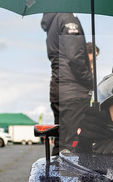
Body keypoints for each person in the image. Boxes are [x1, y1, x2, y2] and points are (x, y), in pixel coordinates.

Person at [41, 13, 95, 149]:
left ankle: (55, 170)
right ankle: (66, 171)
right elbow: (75, 57)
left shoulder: (53, 21)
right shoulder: (67, 18)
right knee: (73, 145)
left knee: (61, 144)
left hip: (59, 89)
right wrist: (89, 81)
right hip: (73, 91)